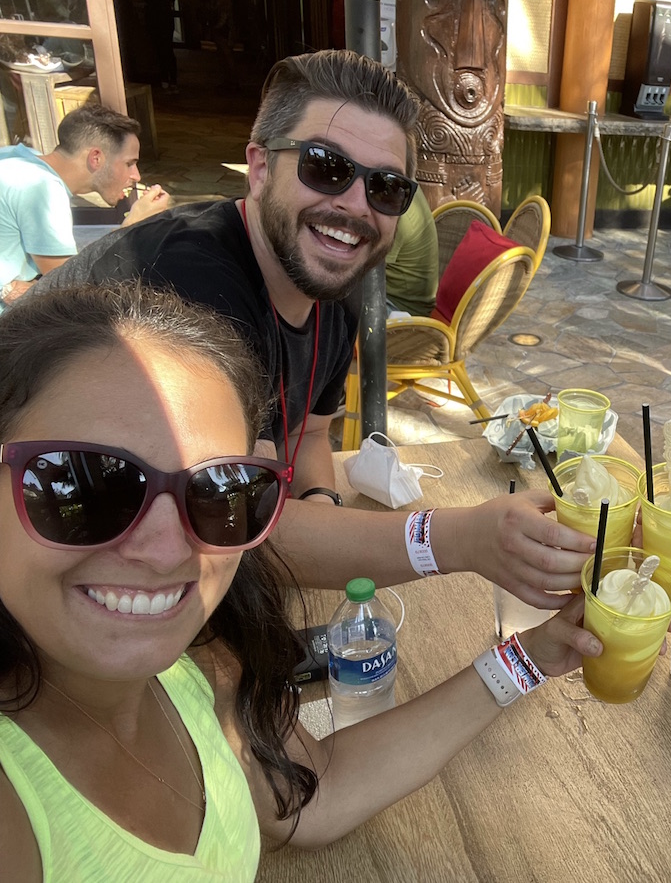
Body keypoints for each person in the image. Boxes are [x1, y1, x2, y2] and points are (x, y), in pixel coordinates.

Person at [0, 282, 603, 879]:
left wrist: (529, 659)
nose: (165, 551)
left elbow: (314, 796)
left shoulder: (198, 666)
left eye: (221, 491)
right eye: (83, 485)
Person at [40, 50, 594, 608]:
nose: (355, 205)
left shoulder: (335, 288)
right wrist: (461, 539)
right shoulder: (189, 288)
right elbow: (230, 524)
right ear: (260, 168)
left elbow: (306, 435)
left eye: (386, 188)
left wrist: (323, 507)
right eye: (325, 166)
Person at [0, 104, 170, 311]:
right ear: (96, 158)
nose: (136, 176)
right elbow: (72, 287)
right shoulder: (42, 188)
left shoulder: (16, 157)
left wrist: (23, 287)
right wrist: (132, 224)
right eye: (129, 163)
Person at [385, 186, 438, 316]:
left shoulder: (396, 213)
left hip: (403, 311)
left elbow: (364, 272)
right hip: (396, 297)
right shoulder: (405, 188)